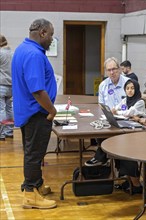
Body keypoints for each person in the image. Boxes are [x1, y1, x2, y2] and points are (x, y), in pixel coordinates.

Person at [11, 18, 57, 209]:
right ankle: (30, 194)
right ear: (43, 33)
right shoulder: (34, 55)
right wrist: (52, 110)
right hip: (37, 113)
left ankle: (36, 186)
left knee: (33, 153)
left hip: (28, 111)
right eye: (51, 35)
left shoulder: (23, 49)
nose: (52, 40)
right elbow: (37, 90)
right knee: (34, 154)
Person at [86, 57, 130, 166]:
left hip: (126, 119)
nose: (112, 72)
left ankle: (103, 158)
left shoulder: (128, 83)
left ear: (119, 69)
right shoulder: (103, 85)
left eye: (114, 69)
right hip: (109, 120)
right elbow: (101, 106)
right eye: (109, 70)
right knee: (99, 131)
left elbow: (134, 102)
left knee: (118, 139)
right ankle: (106, 157)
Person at [0, 34, 14, 141]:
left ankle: (1, 134)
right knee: (9, 108)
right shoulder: (12, 53)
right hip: (11, 86)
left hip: (1, 85)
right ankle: (9, 132)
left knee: (1, 109)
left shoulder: (0, 53)